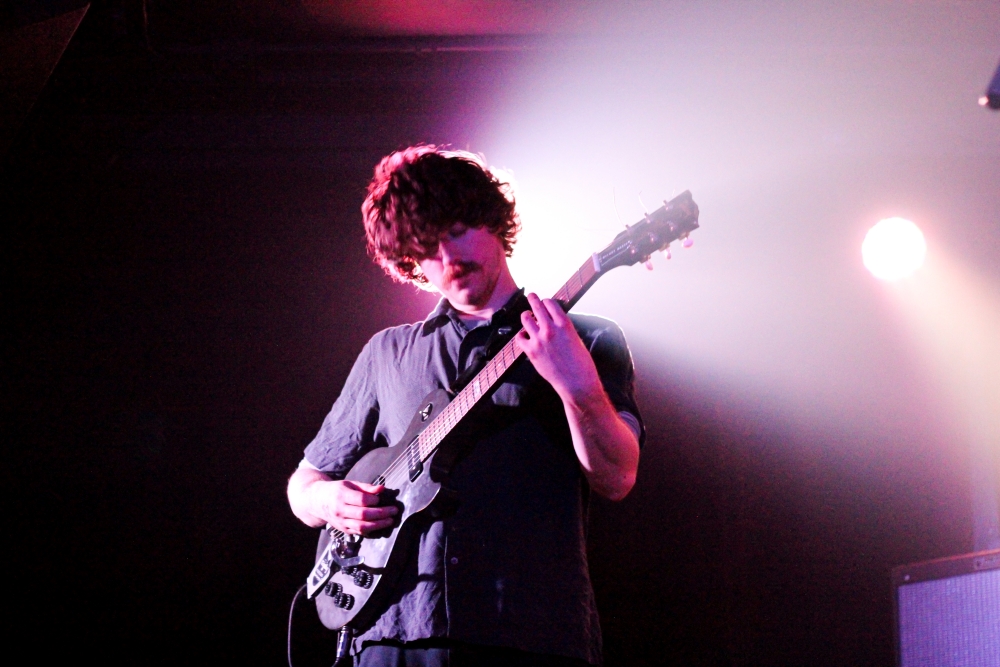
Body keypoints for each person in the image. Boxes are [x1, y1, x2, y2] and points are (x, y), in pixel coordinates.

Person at [287, 145, 643, 667]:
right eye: (426, 249)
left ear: (491, 220)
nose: (449, 258)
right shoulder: (387, 352)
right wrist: (327, 502)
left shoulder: (586, 338)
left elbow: (617, 477)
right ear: (409, 263)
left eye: (456, 230)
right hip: (390, 636)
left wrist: (577, 385)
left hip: (528, 634)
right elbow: (304, 483)